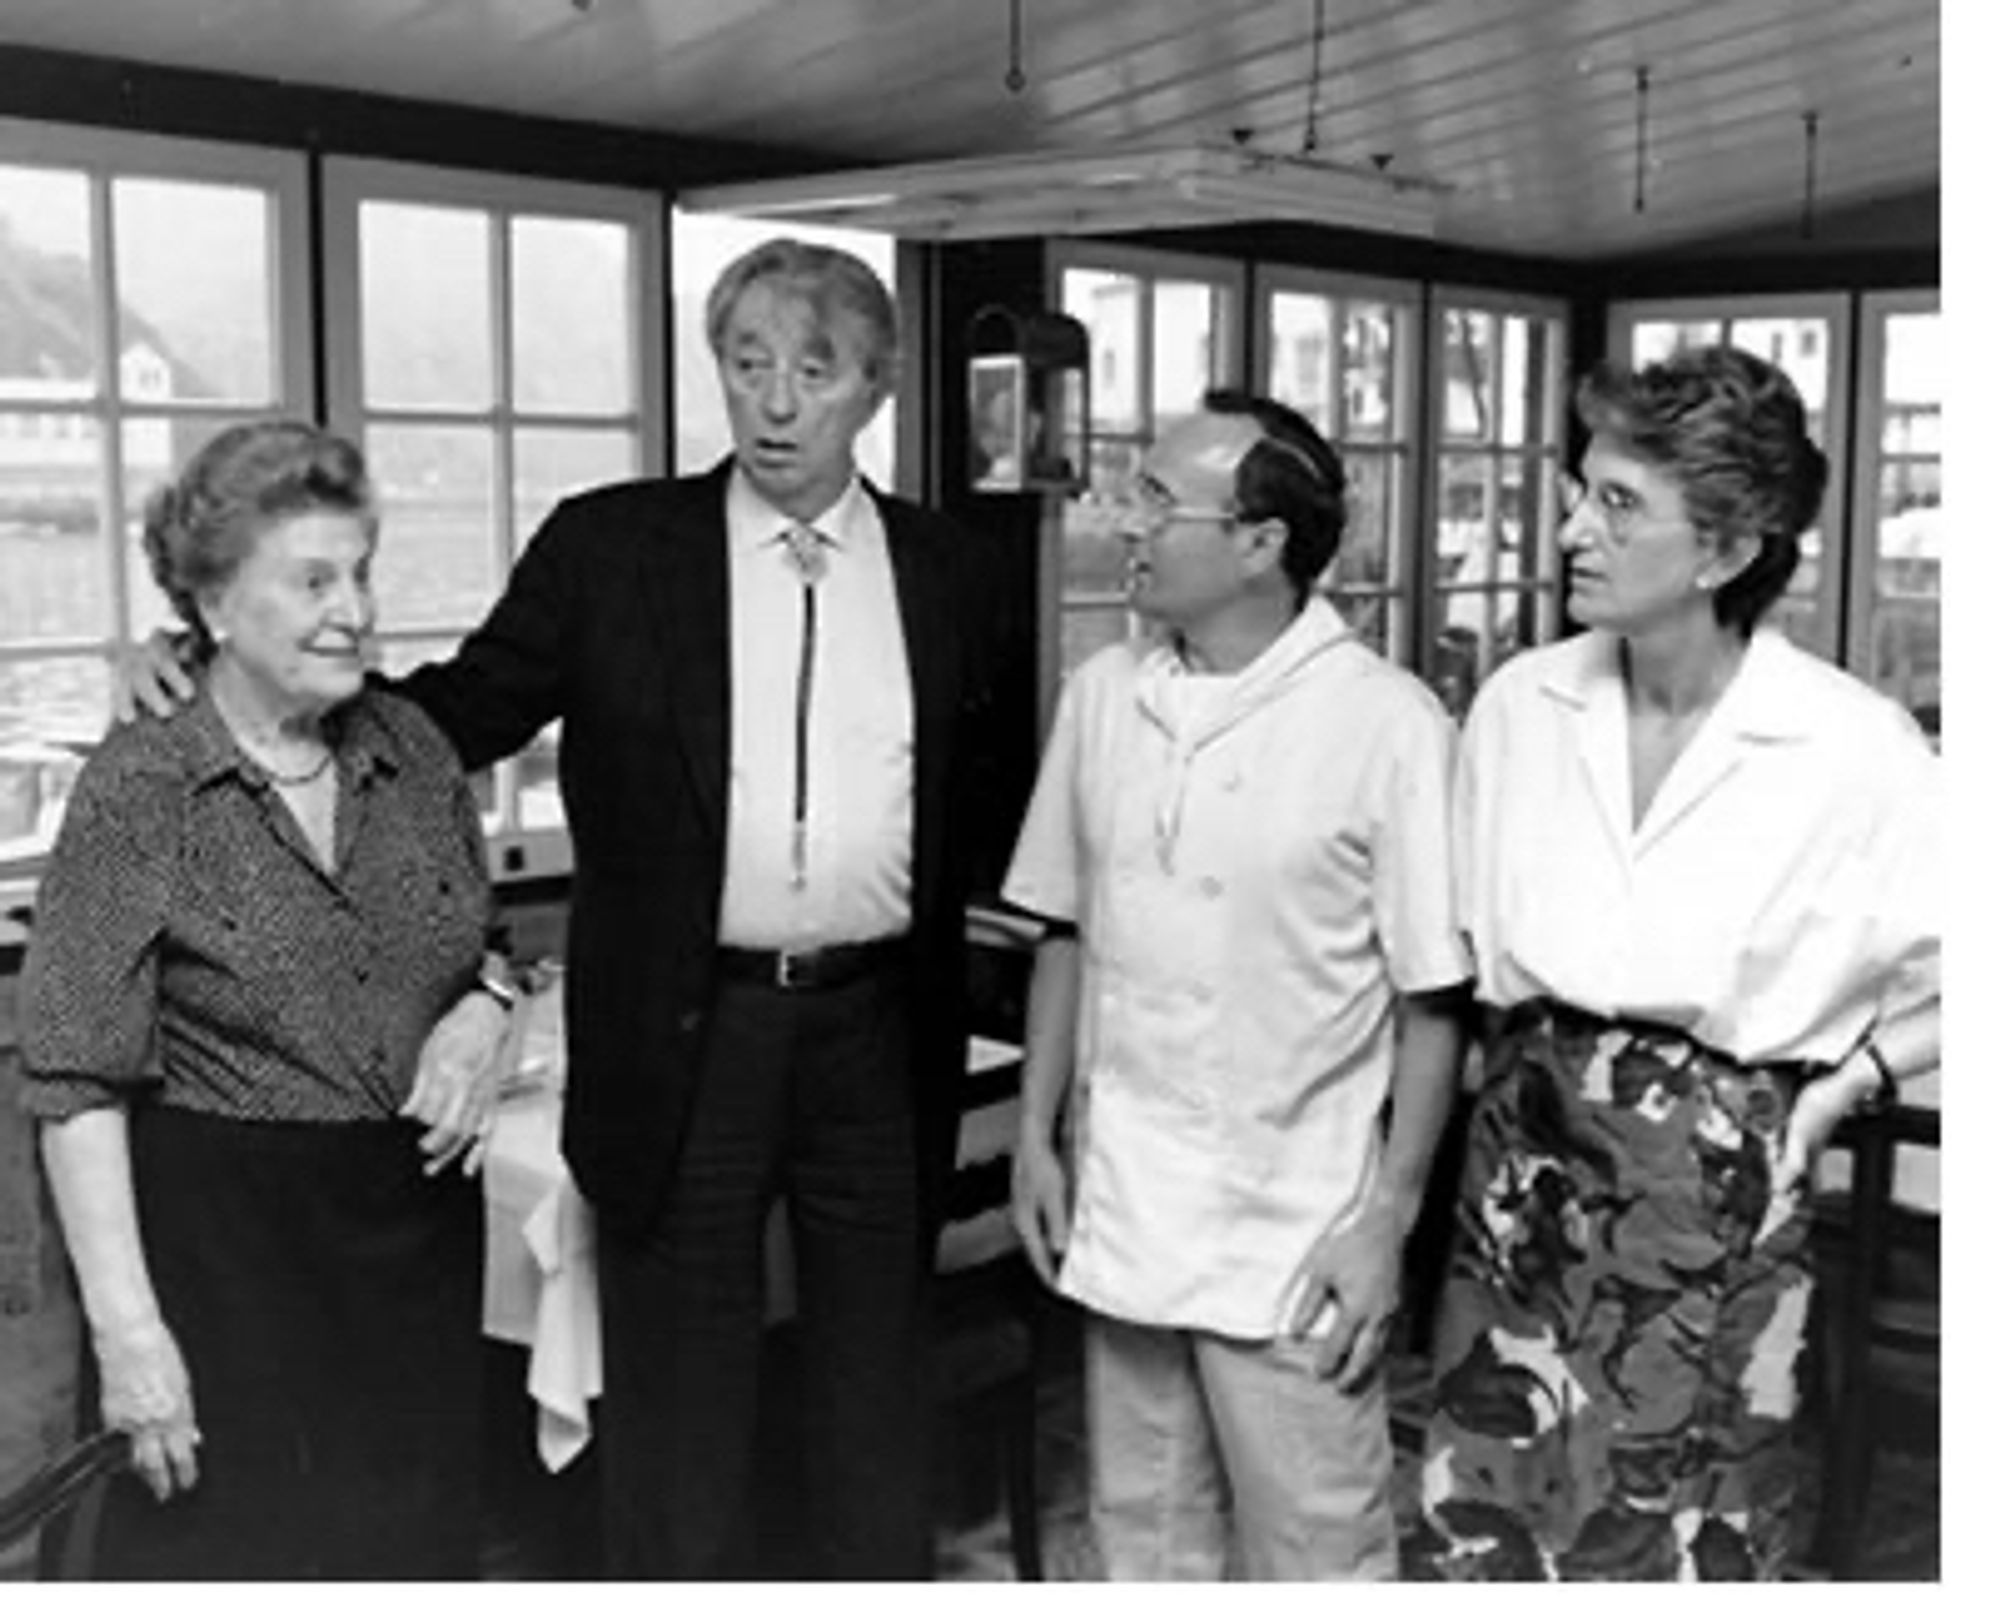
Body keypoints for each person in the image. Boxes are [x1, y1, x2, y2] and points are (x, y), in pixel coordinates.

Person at [120, 238, 1007, 1577]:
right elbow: (453, 716)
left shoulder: (944, 571)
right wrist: (229, 665)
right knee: (676, 1407)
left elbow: (987, 796)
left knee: (873, 1395)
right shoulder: (617, 547)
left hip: (881, 1034)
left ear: (875, 389)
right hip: (687, 1038)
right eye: (746, 363)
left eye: (813, 372)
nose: (772, 403)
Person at [1407, 345, 1940, 1581]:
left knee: (1674, 1529)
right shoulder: (1517, 705)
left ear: (1723, 548)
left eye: (1615, 504)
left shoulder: (1847, 744)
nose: (1568, 530)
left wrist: (1849, 1078)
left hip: (1708, 1186)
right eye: (1577, 489)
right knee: (1494, 1508)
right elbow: (1468, 959)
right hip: (1515, 1179)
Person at [21, 421, 506, 1579]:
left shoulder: (414, 746)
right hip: (226, 1269)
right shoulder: (141, 784)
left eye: (361, 573)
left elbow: (475, 944)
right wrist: (128, 1332)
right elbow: (74, 1081)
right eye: (314, 580)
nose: (357, 609)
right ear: (217, 604)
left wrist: (487, 1004)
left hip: (411, 1256)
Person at [1002, 389, 1472, 1579]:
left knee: (1316, 1545)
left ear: (1262, 543)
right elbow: (1063, 928)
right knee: (1141, 1534)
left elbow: (1433, 1002)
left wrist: (1386, 1222)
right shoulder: (1104, 694)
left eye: (1159, 500)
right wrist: (1035, 1139)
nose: (1127, 524)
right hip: (1128, 1198)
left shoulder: (1385, 723)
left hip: (1295, 1223)